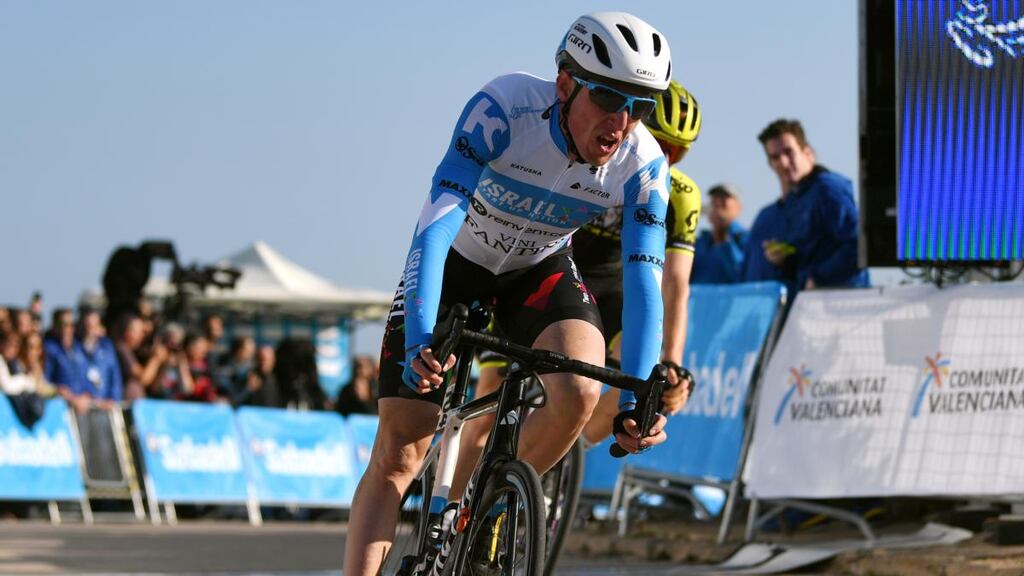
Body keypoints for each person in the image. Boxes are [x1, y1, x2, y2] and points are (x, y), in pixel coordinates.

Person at [344, 12, 674, 575]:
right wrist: (423, 336)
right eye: (609, 97)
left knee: (579, 391)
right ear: (566, 84)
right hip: (454, 264)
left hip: (536, 268)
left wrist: (639, 397)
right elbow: (435, 226)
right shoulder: (503, 109)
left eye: (640, 106)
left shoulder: (643, 166)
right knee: (401, 450)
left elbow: (645, 280)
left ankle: (485, 508)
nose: (623, 121)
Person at [756, 119, 869, 294]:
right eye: (775, 157)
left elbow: (860, 247)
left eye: (788, 152)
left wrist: (817, 277)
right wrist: (785, 259)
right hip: (816, 303)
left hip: (845, 303)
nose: (784, 162)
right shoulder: (796, 199)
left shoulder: (828, 190)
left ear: (807, 153)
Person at [691, 184, 747, 284]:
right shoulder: (699, 243)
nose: (718, 203)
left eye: (724, 199)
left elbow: (743, 276)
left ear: (739, 207)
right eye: (714, 200)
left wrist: (722, 238)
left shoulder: (747, 239)